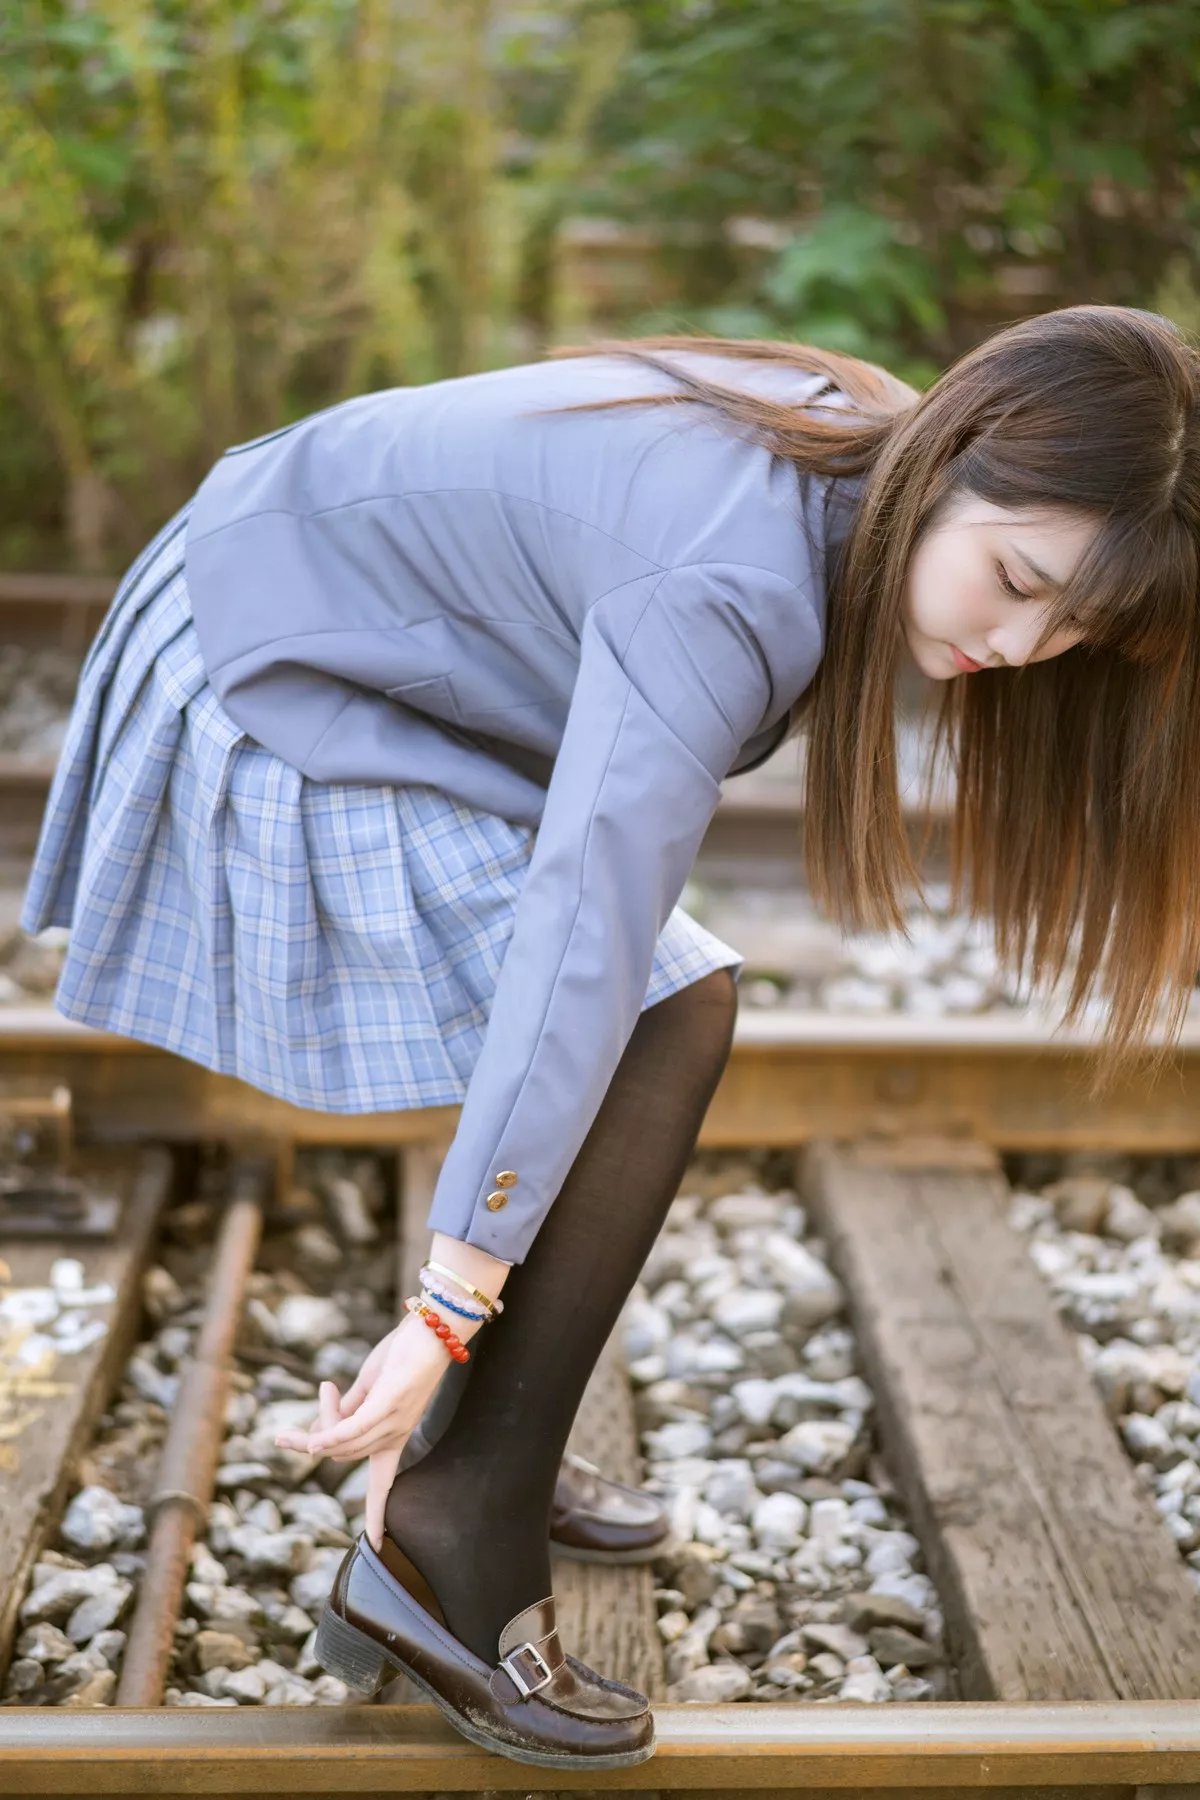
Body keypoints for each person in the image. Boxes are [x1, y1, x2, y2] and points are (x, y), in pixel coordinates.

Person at [21, 305, 1199, 1765]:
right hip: (261, 669)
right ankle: (449, 1538)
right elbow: (588, 928)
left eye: (1073, 628)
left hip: (334, 615)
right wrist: (447, 1304)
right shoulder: (737, 579)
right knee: (664, 1005)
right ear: (957, 451)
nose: (1021, 647)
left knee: (649, 996)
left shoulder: (860, 456)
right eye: (1018, 580)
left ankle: (483, 1450)